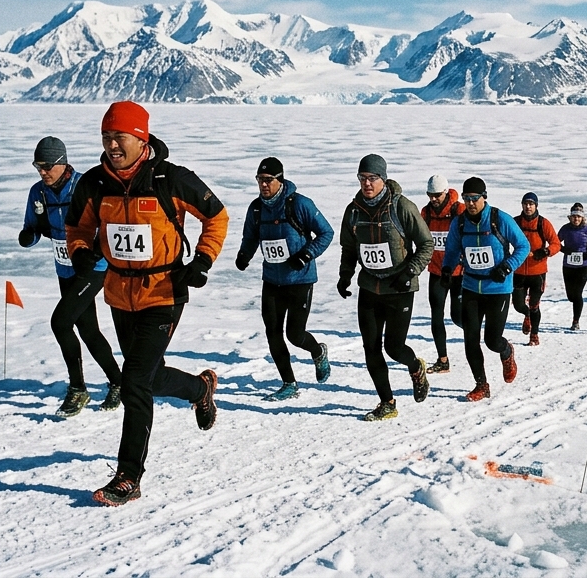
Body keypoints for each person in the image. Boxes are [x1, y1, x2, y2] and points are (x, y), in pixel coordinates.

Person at [67, 101, 228, 506]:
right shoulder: (93, 183)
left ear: (141, 139)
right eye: (106, 137)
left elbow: (217, 216)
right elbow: (77, 227)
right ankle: (199, 388)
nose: (112, 145)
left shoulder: (171, 179)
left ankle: (128, 477)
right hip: (119, 294)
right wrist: (81, 252)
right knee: (149, 376)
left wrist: (202, 260)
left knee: (134, 381)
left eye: (119, 137)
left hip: (164, 293)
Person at [19, 136, 122, 419]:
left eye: (47, 166)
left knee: (60, 322)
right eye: (37, 166)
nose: (42, 172)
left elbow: (108, 223)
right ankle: (118, 382)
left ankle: (78, 388)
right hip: (64, 268)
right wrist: (29, 235)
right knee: (88, 330)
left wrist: (96, 250)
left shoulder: (84, 186)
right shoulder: (38, 193)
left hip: (93, 268)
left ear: (62, 163)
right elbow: (32, 227)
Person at [337, 154, 432, 421]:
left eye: (372, 178)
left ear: (383, 179)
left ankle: (415, 367)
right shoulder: (353, 211)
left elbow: (426, 244)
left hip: (399, 287)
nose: (367, 183)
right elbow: (349, 248)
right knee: (370, 347)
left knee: (394, 347)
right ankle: (387, 402)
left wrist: (410, 271)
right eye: (362, 178)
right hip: (369, 286)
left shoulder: (401, 207)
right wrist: (345, 276)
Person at [233, 157, 334, 402]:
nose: (263, 185)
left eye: (268, 180)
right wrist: (244, 255)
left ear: (280, 180)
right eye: (260, 180)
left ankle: (317, 351)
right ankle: (289, 383)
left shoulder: (300, 204)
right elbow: (251, 237)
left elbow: (326, 232)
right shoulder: (256, 208)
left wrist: (306, 255)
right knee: (273, 332)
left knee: (295, 334)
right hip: (272, 280)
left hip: (300, 279)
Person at [440, 177, 528, 401]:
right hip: (471, 286)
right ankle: (481, 385)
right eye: (466, 199)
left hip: (498, 288)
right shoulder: (460, 223)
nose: (470, 203)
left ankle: (506, 351)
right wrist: (447, 270)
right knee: (470, 339)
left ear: (484, 197)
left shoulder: (499, 219)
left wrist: (507, 267)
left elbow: (523, 246)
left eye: (474, 198)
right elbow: (452, 250)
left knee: (492, 340)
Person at [420, 174, 463, 373]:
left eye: (437, 195)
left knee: (457, 316)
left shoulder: (458, 211)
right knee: (436, 316)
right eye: (430, 195)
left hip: (459, 273)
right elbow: (420, 238)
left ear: (445, 192)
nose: (433, 199)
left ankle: (479, 335)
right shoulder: (426, 213)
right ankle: (443, 360)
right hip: (437, 272)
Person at [513, 192, 561, 346]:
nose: (528, 207)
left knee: (534, 305)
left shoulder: (543, 223)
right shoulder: (515, 222)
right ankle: (526, 315)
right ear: (522, 205)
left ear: (536, 206)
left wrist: (546, 251)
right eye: (525, 204)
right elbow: (504, 239)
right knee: (518, 304)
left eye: (531, 204)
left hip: (537, 272)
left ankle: (534, 335)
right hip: (518, 270)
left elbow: (556, 244)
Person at [557, 203, 587, 330]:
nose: (576, 219)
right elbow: (556, 242)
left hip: (583, 266)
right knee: (570, 296)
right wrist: (564, 249)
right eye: (574, 216)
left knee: (577, 294)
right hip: (568, 266)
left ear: (582, 218)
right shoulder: (565, 229)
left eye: (579, 217)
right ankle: (575, 314)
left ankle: (576, 321)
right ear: (570, 217)